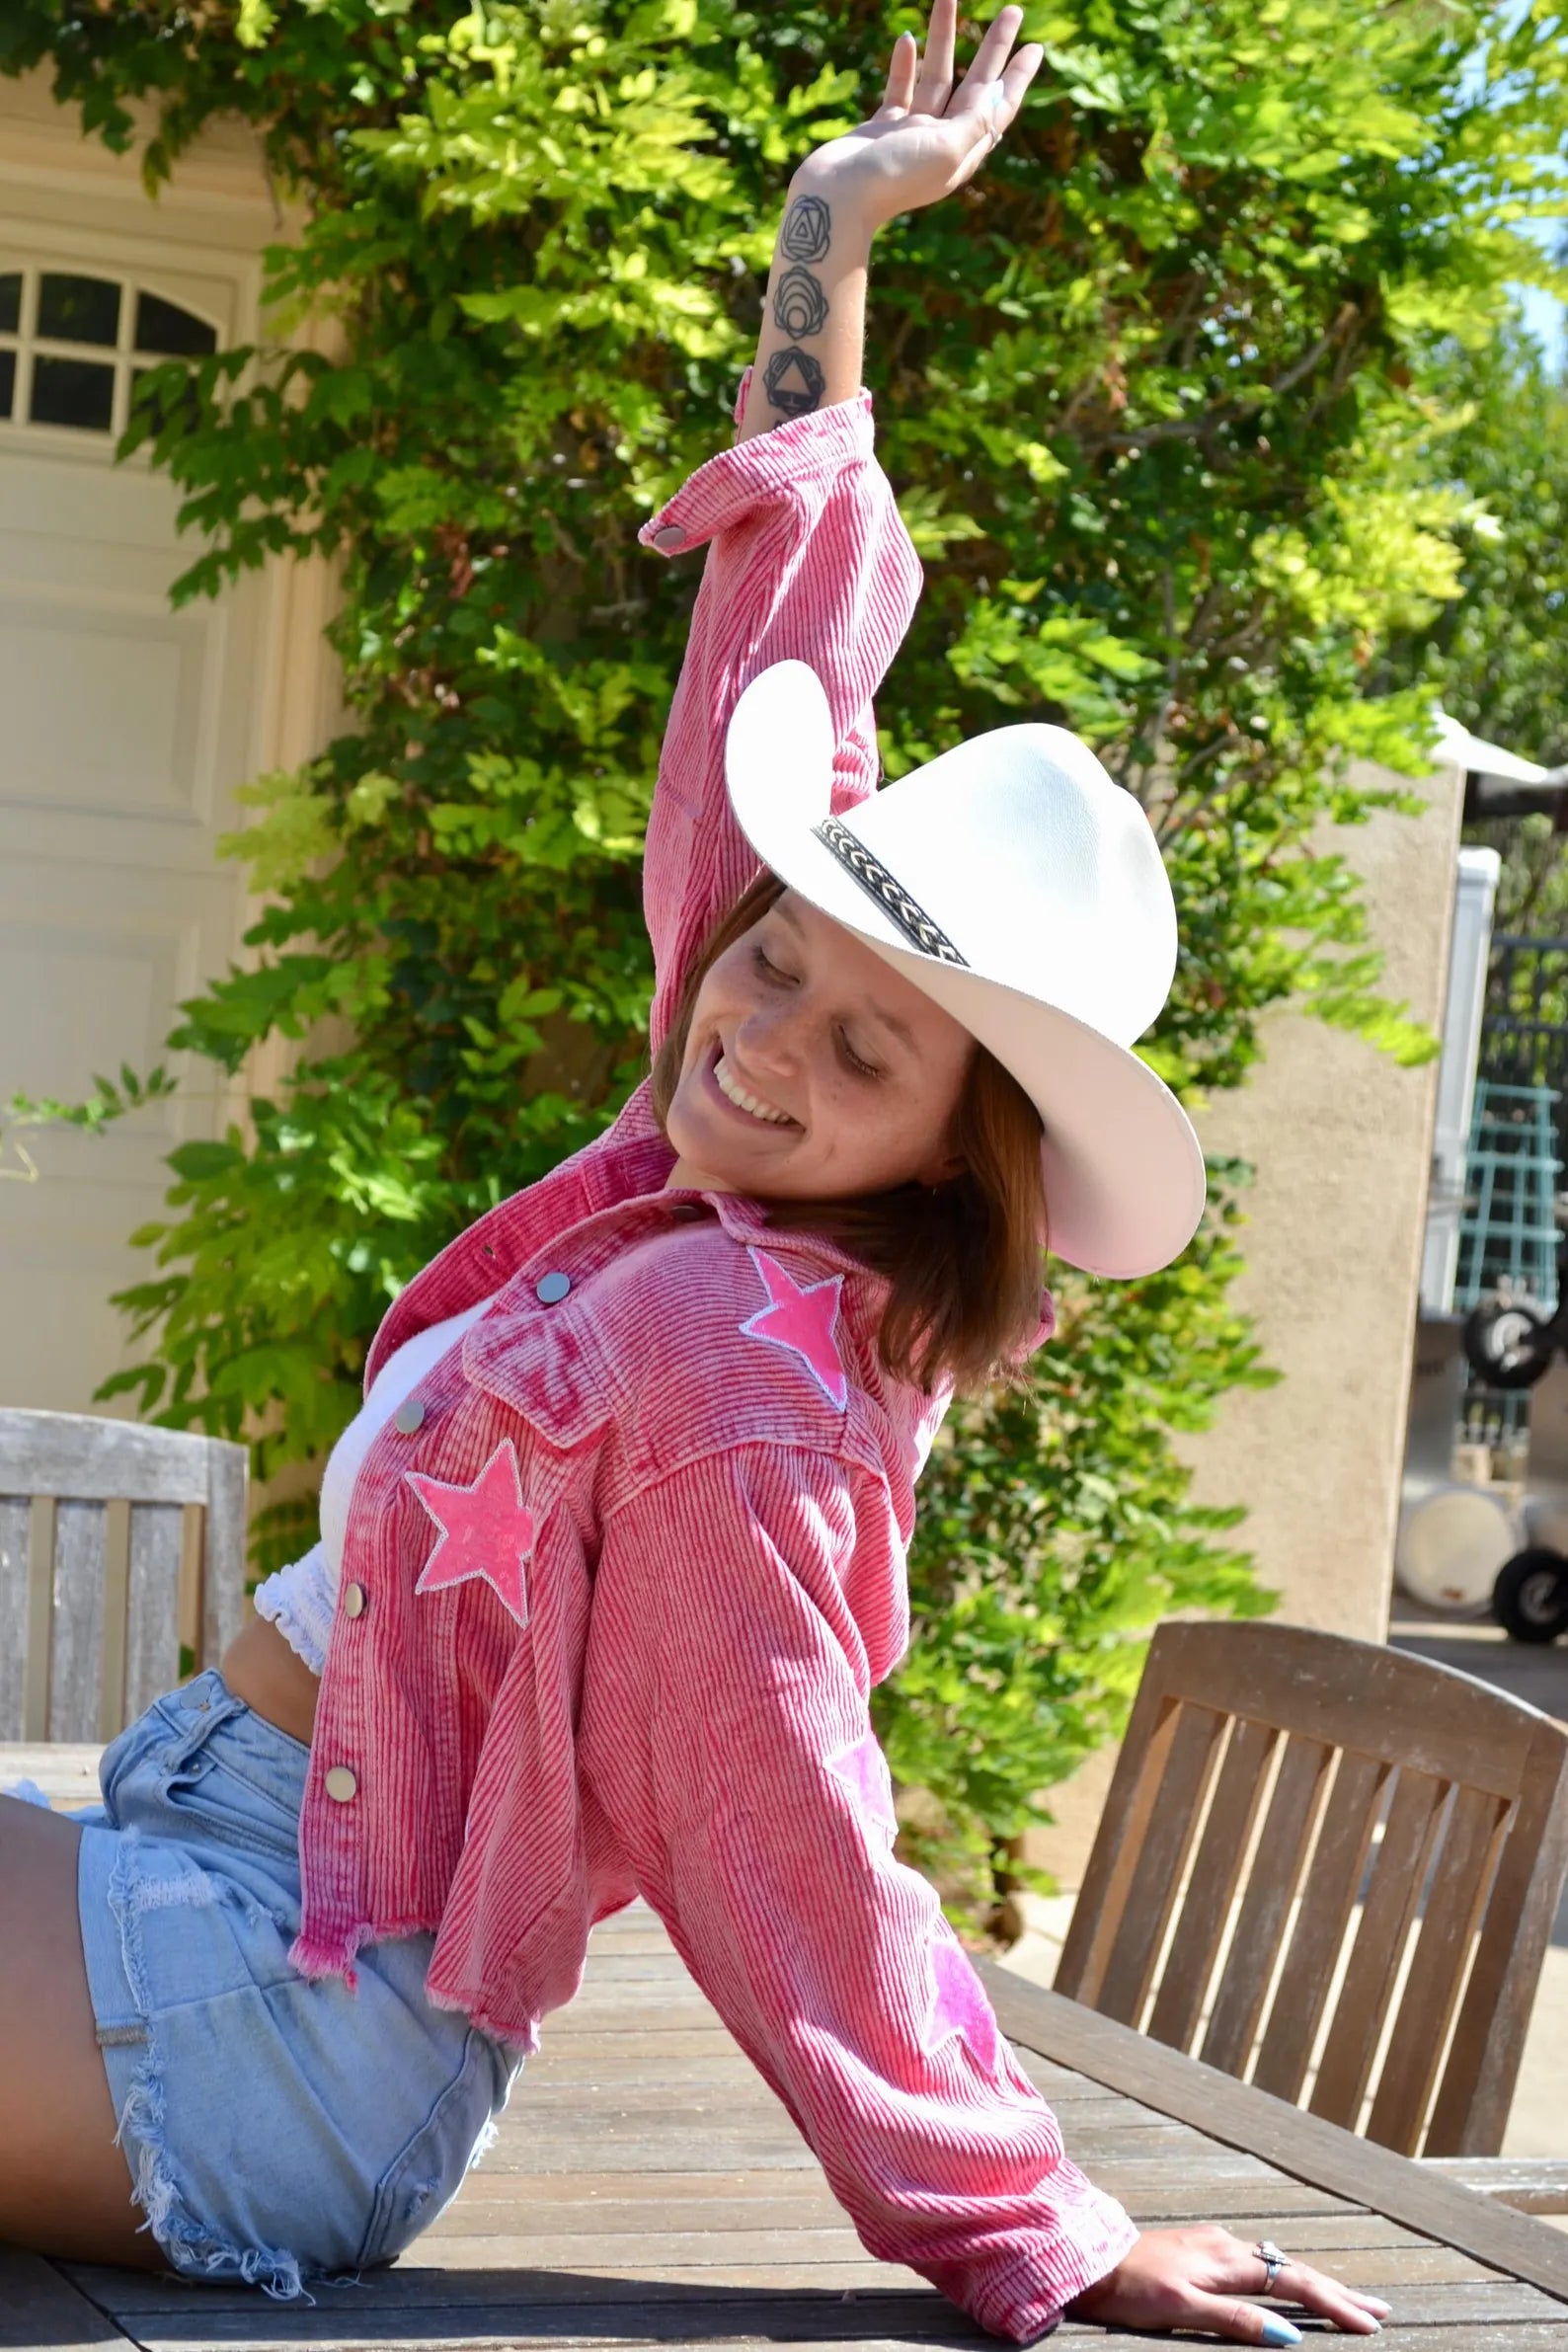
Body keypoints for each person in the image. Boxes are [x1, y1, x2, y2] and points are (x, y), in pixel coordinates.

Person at [0, 10, 1390, 2344]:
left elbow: (794, 1825)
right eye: (761, 962)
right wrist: (831, 230)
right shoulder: (706, 1174)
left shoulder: (726, 1367)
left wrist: (1034, 2230)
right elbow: (778, 675)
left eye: (860, 1046)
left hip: (264, 2027)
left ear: (953, 1152)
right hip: (192, 1883)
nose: (756, 1038)